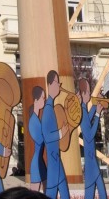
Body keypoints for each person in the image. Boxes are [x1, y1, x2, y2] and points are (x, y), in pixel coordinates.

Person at [41, 71, 70, 199]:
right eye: (58, 83)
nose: (59, 86)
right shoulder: (48, 109)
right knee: (51, 195)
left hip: (56, 161)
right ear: (51, 84)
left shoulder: (50, 107)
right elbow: (46, 136)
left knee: (64, 194)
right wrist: (60, 133)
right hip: (53, 163)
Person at [78, 79, 106, 199]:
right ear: (83, 94)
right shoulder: (82, 111)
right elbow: (89, 135)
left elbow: (88, 121)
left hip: (90, 159)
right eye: (88, 92)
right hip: (90, 160)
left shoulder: (83, 109)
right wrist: (98, 114)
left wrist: (95, 105)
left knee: (92, 192)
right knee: (99, 191)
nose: (90, 94)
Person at [28, 86, 46, 192]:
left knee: (47, 191)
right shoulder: (33, 121)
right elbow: (40, 139)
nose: (44, 100)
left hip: (40, 161)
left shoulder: (36, 119)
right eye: (43, 98)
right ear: (36, 100)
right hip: (36, 163)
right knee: (33, 194)